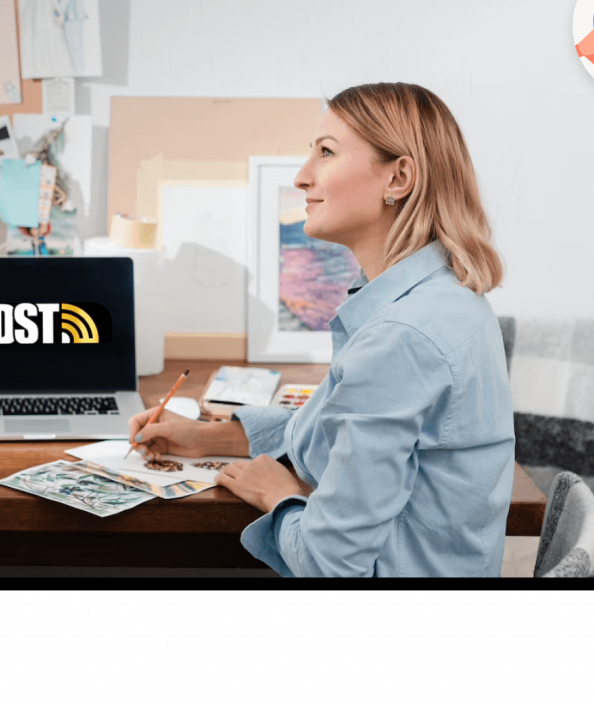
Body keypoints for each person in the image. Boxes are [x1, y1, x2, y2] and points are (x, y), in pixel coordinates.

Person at [127, 83, 515, 577]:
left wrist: (281, 497)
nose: (302, 176)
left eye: (326, 152)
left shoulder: (401, 336)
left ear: (398, 178)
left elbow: (329, 565)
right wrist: (210, 437)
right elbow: (335, 427)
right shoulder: (439, 297)